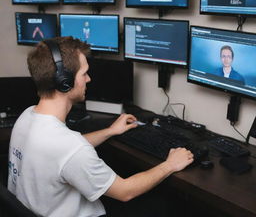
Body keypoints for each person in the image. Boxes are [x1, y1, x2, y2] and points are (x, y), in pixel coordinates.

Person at [8, 37, 194, 217]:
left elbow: (62, 155)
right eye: (84, 73)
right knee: (163, 205)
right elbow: (125, 191)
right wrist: (170, 165)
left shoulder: (28, 117)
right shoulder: (69, 147)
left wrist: (110, 131)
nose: (88, 79)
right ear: (64, 82)